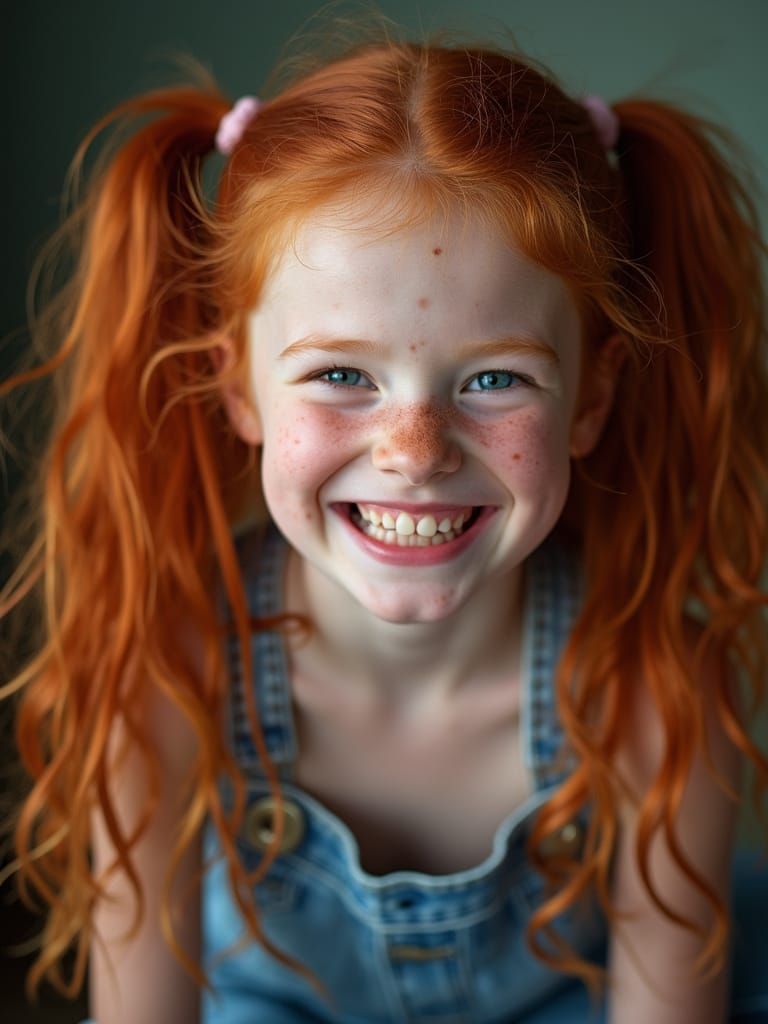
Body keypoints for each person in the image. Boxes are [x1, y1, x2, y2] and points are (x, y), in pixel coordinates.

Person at [1, 18, 767, 1024]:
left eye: (494, 377)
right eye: (341, 375)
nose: (415, 448)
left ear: (589, 398)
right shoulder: (163, 673)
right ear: (238, 390)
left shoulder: (655, 690)